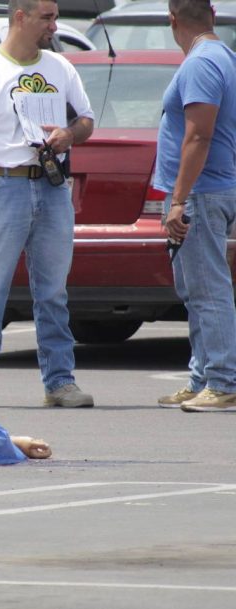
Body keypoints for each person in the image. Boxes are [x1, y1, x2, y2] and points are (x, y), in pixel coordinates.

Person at [0, 0, 95, 410]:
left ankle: (60, 382)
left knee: (53, 291)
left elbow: (86, 119)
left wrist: (69, 134)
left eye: (54, 17)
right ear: (20, 17)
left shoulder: (59, 67)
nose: (54, 25)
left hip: (51, 186)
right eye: (46, 17)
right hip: (3, 184)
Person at [155, 0, 236, 412]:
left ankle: (223, 382)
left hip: (201, 192)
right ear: (213, 16)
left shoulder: (202, 63)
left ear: (172, 19)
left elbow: (198, 136)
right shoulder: (222, 56)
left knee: (208, 288)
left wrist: (178, 199)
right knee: (195, 289)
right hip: (208, 189)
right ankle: (203, 376)